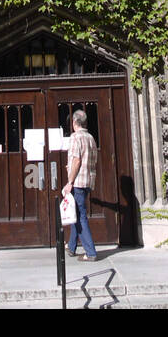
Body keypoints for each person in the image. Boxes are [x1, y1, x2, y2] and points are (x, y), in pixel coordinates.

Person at [62, 108, 98, 260]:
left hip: (77, 182)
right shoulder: (91, 138)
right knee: (76, 214)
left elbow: (77, 160)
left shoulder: (76, 137)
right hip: (88, 180)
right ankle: (71, 247)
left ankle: (90, 253)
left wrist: (69, 181)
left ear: (74, 122)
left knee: (80, 215)